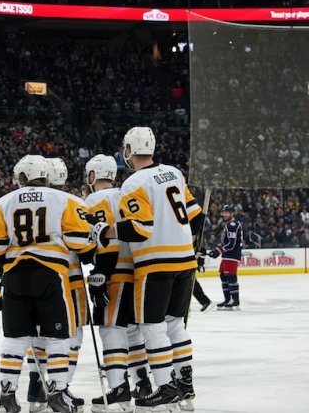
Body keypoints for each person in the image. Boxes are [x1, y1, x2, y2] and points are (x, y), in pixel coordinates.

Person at [88, 127, 202, 412]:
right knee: (176, 325)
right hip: (185, 261)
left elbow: (139, 229)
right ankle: (185, 384)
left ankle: (165, 387)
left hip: (155, 263)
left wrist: (106, 231)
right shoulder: (174, 173)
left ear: (128, 150)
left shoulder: (134, 182)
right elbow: (197, 220)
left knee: (152, 326)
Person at [0, 155, 95, 413]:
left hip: (14, 277)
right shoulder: (64, 200)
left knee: (15, 339)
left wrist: (2, 265)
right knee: (57, 338)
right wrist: (90, 251)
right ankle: (56, 392)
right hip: (50, 275)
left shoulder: (3, 202)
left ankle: (7, 396)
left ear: (22, 177)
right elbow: (81, 241)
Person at [83, 154, 152, 412]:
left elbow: (102, 241)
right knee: (133, 331)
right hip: (137, 271)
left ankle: (118, 389)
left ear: (93, 175)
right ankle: (142, 382)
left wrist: (100, 273)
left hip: (113, 272)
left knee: (111, 329)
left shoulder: (93, 200)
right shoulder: (126, 192)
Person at [209, 204, 243, 309]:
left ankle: (235, 301)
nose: (224, 214)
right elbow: (226, 242)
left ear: (232, 214)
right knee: (223, 276)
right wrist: (217, 249)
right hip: (227, 255)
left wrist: (218, 251)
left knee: (231, 277)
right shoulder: (229, 225)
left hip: (232, 255)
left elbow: (231, 244)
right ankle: (228, 299)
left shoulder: (232, 225)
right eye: (223, 212)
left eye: (226, 212)